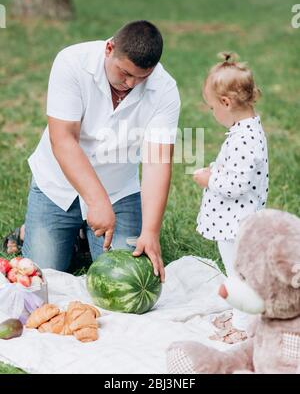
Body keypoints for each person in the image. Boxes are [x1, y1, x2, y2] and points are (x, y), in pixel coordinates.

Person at [7, 21, 181, 282]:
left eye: (141, 77)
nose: (131, 83)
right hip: (58, 185)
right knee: (45, 274)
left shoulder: (165, 89)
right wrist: (97, 201)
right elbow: (64, 140)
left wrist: (151, 231)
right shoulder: (72, 62)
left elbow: (157, 163)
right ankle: (27, 233)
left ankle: (81, 235)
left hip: (118, 190)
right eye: (124, 73)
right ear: (109, 49)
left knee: (125, 278)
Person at [193, 52, 268, 341]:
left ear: (225, 103)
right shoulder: (246, 129)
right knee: (235, 270)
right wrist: (216, 168)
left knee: (238, 275)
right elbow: (238, 170)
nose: (213, 113)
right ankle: (240, 314)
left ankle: (243, 325)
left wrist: (208, 178)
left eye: (212, 107)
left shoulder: (245, 137)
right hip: (233, 220)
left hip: (235, 223)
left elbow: (236, 184)